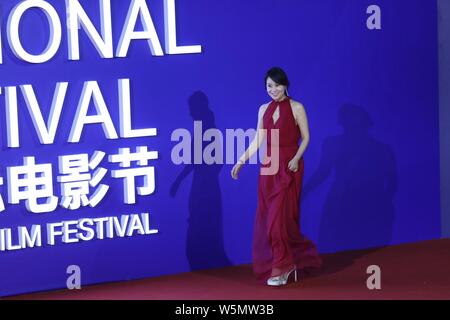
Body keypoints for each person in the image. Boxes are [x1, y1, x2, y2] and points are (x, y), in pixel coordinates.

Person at [231, 67, 322, 286]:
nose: (273, 90)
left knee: (280, 220)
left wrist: (296, 159)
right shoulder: (263, 109)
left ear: (286, 84)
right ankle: (285, 264)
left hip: (290, 166)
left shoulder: (297, 107)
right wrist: (241, 160)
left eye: (277, 85)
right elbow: (258, 140)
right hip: (268, 168)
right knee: (269, 219)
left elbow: (307, 138)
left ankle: (282, 268)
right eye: (269, 86)